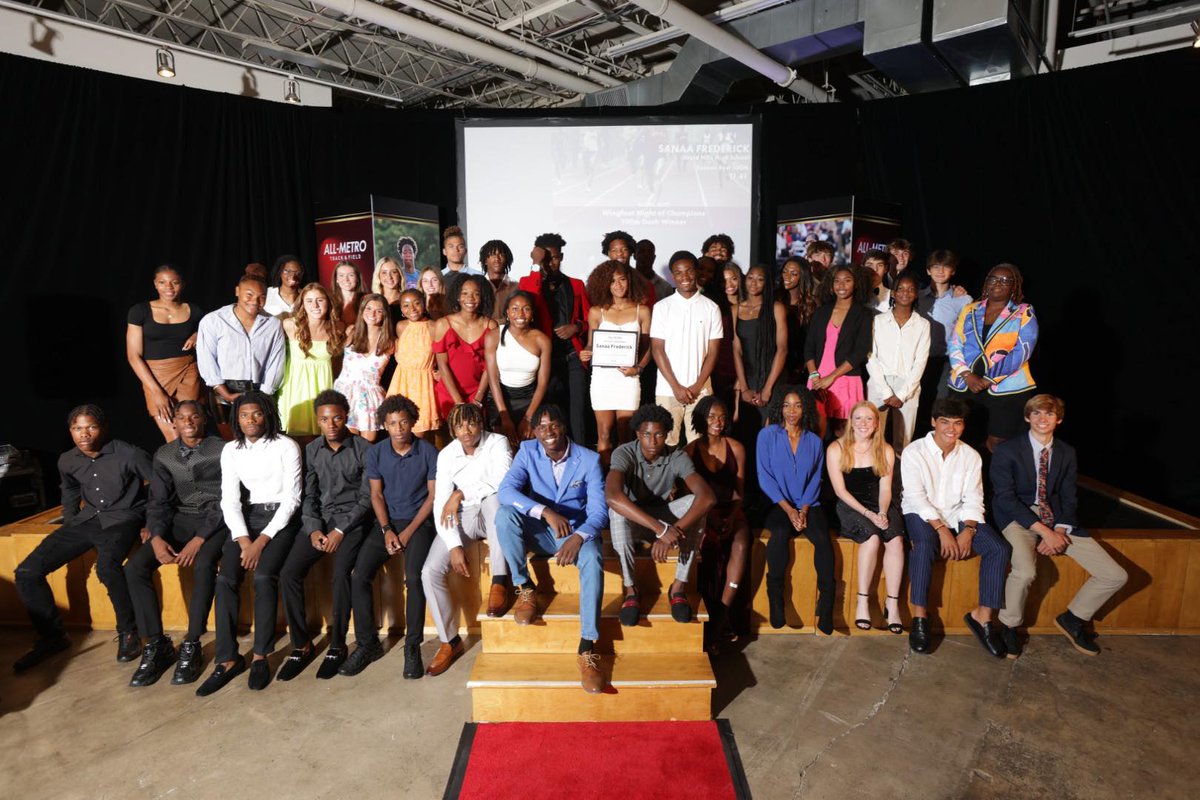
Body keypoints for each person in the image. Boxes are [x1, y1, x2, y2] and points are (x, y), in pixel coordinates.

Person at [13, 405, 152, 672]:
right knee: (27, 571)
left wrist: (150, 522)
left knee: (107, 568)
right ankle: (53, 637)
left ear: (104, 428)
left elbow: (159, 485)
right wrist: (69, 518)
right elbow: (70, 488)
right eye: (77, 428)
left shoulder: (129, 453)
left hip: (122, 520)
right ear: (70, 431)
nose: (84, 434)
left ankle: (129, 632)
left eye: (91, 427)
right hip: (86, 521)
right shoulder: (67, 459)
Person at [992, 395, 1127, 658]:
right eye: (1037, 414)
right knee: (1025, 571)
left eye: (1049, 414)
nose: (1043, 419)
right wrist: (1045, 532)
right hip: (1017, 517)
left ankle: (1073, 618)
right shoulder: (1007, 450)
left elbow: (1068, 496)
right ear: (1027, 417)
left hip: (1056, 518)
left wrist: (1060, 531)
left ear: (1059, 419)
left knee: (1115, 575)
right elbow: (1005, 498)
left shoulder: (1066, 452)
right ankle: (1009, 625)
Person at [495, 404, 608, 693]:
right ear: (534, 431)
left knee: (594, 557)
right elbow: (507, 491)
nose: (548, 432)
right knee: (504, 514)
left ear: (564, 426)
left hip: (572, 533)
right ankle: (524, 586)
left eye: (553, 424)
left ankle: (587, 647)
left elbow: (598, 512)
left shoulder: (589, 459)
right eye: (541, 427)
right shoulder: (528, 451)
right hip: (540, 529)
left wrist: (579, 537)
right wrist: (545, 511)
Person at [195, 392, 302, 695]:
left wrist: (262, 541)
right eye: (243, 415)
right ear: (236, 419)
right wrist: (244, 541)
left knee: (266, 576)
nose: (250, 420)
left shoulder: (286, 446)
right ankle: (228, 660)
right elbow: (229, 499)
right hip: (246, 520)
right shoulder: (231, 450)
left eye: (256, 414)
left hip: (279, 521)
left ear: (267, 414)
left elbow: (292, 499)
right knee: (226, 578)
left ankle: (260, 656)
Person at [124, 401, 227, 686]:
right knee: (134, 569)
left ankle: (192, 643)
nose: (188, 421)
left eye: (194, 415)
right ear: (174, 423)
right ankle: (157, 645)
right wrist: (156, 536)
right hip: (179, 520)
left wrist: (200, 538)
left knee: (204, 564)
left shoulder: (222, 449)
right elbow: (158, 501)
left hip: (216, 521)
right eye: (181, 417)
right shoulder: (164, 454)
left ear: (203, 419)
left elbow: (228, 499)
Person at [901, 397, 1012, 658]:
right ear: (933, 422)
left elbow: (974, 498)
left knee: (998, 548)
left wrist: (968, 530)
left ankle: (982, 618)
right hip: (922, 513)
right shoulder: (914, 451)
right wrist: (941, 530)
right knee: (925, 545)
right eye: (945, 422)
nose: (951, 429)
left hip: (959, 515)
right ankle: (919, 617)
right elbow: (917, 497)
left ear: (963, 425)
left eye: (957, 423)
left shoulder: (971, 455)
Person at [276, 391, 372, 681]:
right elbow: (309, 496)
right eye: (324, 419)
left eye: (337, 418)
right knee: (289, 573)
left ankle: (338, 643)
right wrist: (314, 528)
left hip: (352, 523)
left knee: (340, 573)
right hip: (321, 522)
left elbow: (367, 499)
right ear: (317, 421)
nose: (331, 424)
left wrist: (340, 531)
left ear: (347, 417)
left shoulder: (363, 449)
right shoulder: (312, 450)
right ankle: (301, 644)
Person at [342, 395, 438, 679]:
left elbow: (433, 497)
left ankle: (412, 647)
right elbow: (376, 494)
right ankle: (368, 644)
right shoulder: (377, 452)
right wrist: (387, 530)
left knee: (414, 578)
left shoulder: (428, 451)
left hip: (419, 523)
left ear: (412, 423)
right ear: (384, 425)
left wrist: (407, 532)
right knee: (359, 575)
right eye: (392, 423)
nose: (399, 428)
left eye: (404, 422)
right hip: (387, 523)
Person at [422, 404, 514, 676]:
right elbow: (441, 502)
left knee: (497, 503)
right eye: (460, 426)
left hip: (488, 509)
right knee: (429, 572)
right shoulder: (447, 454)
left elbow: (501, 481)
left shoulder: (498, 442)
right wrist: (454, 545)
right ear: (452, 429)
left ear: (480, 424)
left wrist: (461, 492)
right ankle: (450, 641)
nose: (466, 431)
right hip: (460, 517)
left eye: (471, 424)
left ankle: (499, 582)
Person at [606, 404, 716, 626]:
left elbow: (707, 497)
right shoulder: (625, 452)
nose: (652, 441)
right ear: (638, 433)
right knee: (615, 511)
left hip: (664, 516)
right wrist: (662, 530)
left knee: (698, 507)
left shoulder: (676, 456)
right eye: (646, 434)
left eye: (659, 434)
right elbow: (612, 496)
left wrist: (674, 531)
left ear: (667, 435)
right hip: (636, 521)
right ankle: (630, 589)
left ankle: (678, 586)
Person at [756, 387, 834, 635]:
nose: (791, 411)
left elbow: (816, 478)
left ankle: (827, 602)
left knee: (822, 538)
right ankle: (775, 597)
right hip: (777, 503)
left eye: (798, 405)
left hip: (808, 503)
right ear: (779, 407)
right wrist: (790, 511)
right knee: (779, 533)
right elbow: (764, 477)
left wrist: (804, 509)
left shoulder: (813, 440)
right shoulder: (767, 435)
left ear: (805, 409)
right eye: (787, 405)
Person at [827, 402, 905, 633]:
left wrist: (881, 512)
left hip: (878, 502)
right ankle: (863, 601)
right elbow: (840, 491)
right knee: (871, 538)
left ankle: (892, 604)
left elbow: (886, 489)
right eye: (858, 418)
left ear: (877, 424)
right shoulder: (837, 448)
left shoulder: (885, 449)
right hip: (850, 506)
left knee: (896, 540)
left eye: (869, 419)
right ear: (851, 421)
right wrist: (868, 514)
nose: (863, 423)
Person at [948, 263, 1039, 451]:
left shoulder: (1024, 311)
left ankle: (997, 480)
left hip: (1007, 388)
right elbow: (955, 342)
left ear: (1014, 286)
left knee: (997, 444)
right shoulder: (970, 309)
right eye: (993, 278)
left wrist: (989, 379)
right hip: (966, 385)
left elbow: (1023, 349)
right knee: (962, 440)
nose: (998, 283)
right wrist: (966, 374)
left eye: (1006, 280)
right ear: (986, 282)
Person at [685, 396, 750, 641]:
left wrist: (732, 518)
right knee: (709, 548)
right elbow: (688, 497)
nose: (718, 422)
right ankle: (710, 617)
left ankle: (722, 615)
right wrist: (709, 518)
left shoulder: (737, 448)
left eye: (722, 416)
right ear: (701, 418)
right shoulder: (690, 451)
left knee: (742, 542)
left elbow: (739, 492)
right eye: (712, 416)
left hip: (731, 509)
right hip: (703, 514)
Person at [518, 234, 591, 443]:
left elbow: (589, 321)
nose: (551, 263)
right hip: (544, 360)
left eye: (555, 258)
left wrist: (575, 327)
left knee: (577, 413)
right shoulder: (528, 282)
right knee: (548, 414)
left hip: (572, 355)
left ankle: (580, 457)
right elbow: (528, 301)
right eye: (546, 258)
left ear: (562, 257)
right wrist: (535, 264)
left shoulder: (576, 285)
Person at [579, 261, 652, 462]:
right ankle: (602, 483)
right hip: (603, 378)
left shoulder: (642, 311)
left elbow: (648, 348)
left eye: (622, 280)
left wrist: (638, 369)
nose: (618, 285)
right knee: (603, 435)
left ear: (630, 281)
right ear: (605, 284)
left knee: (626, 435)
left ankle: (623, 481)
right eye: (612, 281)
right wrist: (585, 353)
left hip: (628, 379)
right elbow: (590, 345)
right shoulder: (596, 312)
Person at [650, 251, 723, 447]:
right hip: (667, 389)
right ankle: (669, 480)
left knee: (699, 444)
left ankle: (696, 479)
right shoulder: (662, 307)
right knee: (666, 443)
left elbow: (714, 351)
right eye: (679, 273)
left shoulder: (711, 308)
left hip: (701, 390)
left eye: (689, 271)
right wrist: (675, 386)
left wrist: (698, 386)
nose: (685, 277)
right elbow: (657, 349)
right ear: (673, 276)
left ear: (697, 272)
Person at [126, 264, 204, 442]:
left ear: (183, 284)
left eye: (174, 282)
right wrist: (156, 392)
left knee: (191, 435)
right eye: (162, 282)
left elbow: (214, 331)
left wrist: (199, 334)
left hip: (188, 372)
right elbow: (133, 355)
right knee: (173, 437)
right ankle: (178, 470)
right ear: (155, 284)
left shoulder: (195, 311)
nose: (169, 287)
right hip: (155, 376)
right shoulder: (140, 311)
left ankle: (197, 469)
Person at [195, 274, 286, 408]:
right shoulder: (213, 320)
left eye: (262, 297)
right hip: (223, 392)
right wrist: (224, 393)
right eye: (249, 295)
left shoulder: (273, 324)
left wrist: (264, 395)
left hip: (260, 392)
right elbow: (206, 359)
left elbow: (276, 361)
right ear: (237, 291)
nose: (255, 301)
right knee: (227, 429)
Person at [804, 265, 873, 437]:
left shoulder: (863, 314)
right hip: (817, 379)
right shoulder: (821, 312)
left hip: (846, 378)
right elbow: (809, 347)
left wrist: (831, 377)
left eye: (847, 281)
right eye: (837, 281)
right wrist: (815, 376)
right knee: (816, 431)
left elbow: (861, 351)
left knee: (844, 434)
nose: (841, 285)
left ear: (856, 284)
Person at [866, 272, 931, 451]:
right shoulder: (878, 321)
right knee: (873, 434)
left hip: (908, 386)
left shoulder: (923, 325)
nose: (905, 293)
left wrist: (902, 394)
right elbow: (871, 357)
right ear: (893, 293)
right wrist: (886, 391)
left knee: (904, 439)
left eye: (911, 289)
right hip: (880, 382)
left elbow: (920, 362)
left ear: (916, 294)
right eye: (900, 289)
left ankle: (901, 475)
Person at [484, 291, 552, 443]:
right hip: (500, 398)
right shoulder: (493, 336)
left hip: (530, 399)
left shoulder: (542, 340)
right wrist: (504, 416)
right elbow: (493, 379)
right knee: (504, 443)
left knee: (528, 444)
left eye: (526, 309)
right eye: (514, 308)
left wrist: (528, 418)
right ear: (507, 312)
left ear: (532, 313)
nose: (520, 313)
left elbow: (542, 384)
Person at [916, 250, 972, 431]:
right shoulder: (916, 296)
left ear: (953, 271)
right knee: (917, 403)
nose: (940, 271)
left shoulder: (963, 299)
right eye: (935, 267)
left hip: (946, 360)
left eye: (946, 267)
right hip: (918, 358)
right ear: (928, 270)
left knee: (941, 403)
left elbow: (967, 332)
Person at [277, 282, 342, 437]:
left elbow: (338, 365)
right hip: (296, 391)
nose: (315, 305)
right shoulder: (290, 325)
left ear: (328, 302)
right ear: (302, 304)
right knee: (297, 440)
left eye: (320, 300)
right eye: (309, 301)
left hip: (323, 389)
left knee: (322, 439)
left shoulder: (337, 328)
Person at [432, 274, 498, 420]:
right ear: (457, 296)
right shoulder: (442, 324)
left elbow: (490, 367)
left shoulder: (491, 326)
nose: (470, 298)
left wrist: (478, 398)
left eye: (476, 294)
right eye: (465, 293)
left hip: (478, 393)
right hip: (449, 393)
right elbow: (442, 365)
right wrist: (458, 401)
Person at [334, 293, 394, 442]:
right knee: (348, 443)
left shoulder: (390, 342)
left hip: (371, 397)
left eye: (378, 310)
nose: (372, 314)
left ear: (384, 314)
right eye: (368, 309)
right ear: (362, 311)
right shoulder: (351, 332)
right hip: (345, 394)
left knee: (367, 446)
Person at [733, 264, 788, 427]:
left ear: (767, 283)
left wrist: (768, 388)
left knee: (770, 433)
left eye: (760, 279)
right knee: (748, 433)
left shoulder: (776, 308)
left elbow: (782, 349)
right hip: (748, 378)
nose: (753, 283)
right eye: (750, 278)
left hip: (773, 377)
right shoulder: (736, 308)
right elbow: (736, 350)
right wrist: (743, 388)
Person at [388, 289, 441, 436]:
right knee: (399, 429)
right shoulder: (401, 326)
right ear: (401, 310)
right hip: (402, 381)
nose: (412, 309)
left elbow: (441, 353)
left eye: (417, 303)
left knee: (420, 432)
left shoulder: (433, 326)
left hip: (423, 383)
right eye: (406, 305)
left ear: (424, 304)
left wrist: (439, 370)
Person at [777, 257, 820, 383]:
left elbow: (814, 340)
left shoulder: (813, 303)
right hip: (776, 362)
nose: (787, 276)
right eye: (784, 271)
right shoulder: (774, 298)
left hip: (802, 364)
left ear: (803, 276)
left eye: (793, 273)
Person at [479, 239, 517, 322]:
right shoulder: (478, 286)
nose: (497, 258)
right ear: (485, 260)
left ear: (506, 259)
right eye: (492, 254)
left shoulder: (516, 287)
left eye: (501, 254)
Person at [635, 238, 673, 305]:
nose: (646, 255)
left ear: (654, 257)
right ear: (635, 256)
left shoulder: (665, 287)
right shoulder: (625, 282)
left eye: (649, 252)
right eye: (642, 251)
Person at [329, 261, 366, 328]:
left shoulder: (366, 299)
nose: (346, 279)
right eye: (341, 275)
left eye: (351, 275)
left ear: (357, 278)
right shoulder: (329, 301)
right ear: (336, 279)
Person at [372, 256, 407, 323]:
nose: (389, 277)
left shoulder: (407, 300)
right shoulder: (373, 301)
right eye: (384, 272)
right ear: (378, 275)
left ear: (400, 275)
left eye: (394, 272)